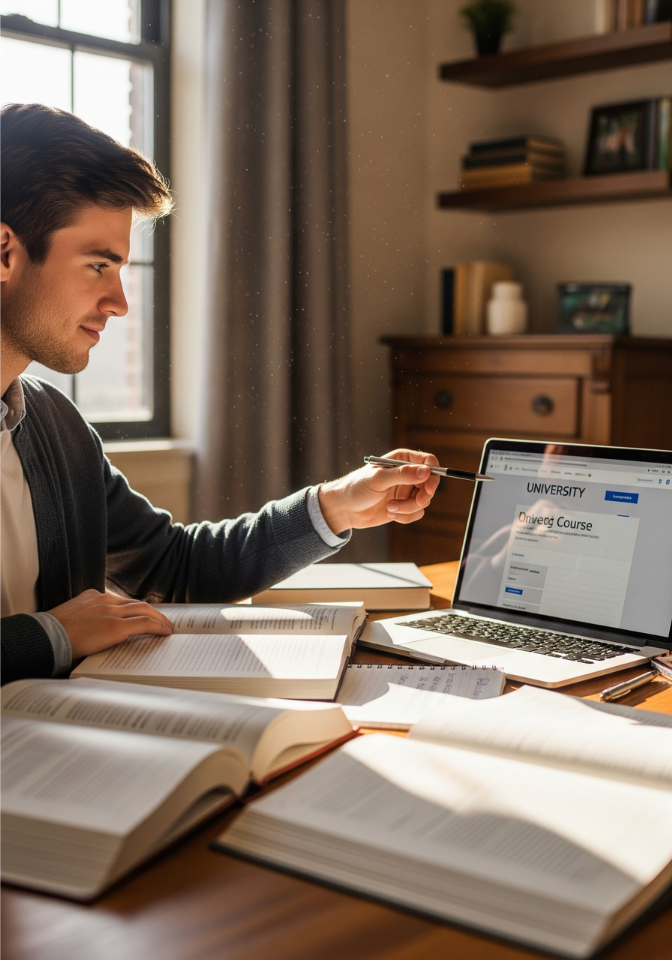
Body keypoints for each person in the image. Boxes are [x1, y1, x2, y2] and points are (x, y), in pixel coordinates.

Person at [0, 103, 439, 686]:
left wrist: (336, 505)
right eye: (98, 266)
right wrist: (53, 635)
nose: (120, 302)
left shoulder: (55, 427)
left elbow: (173, 569)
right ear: (5, 252)